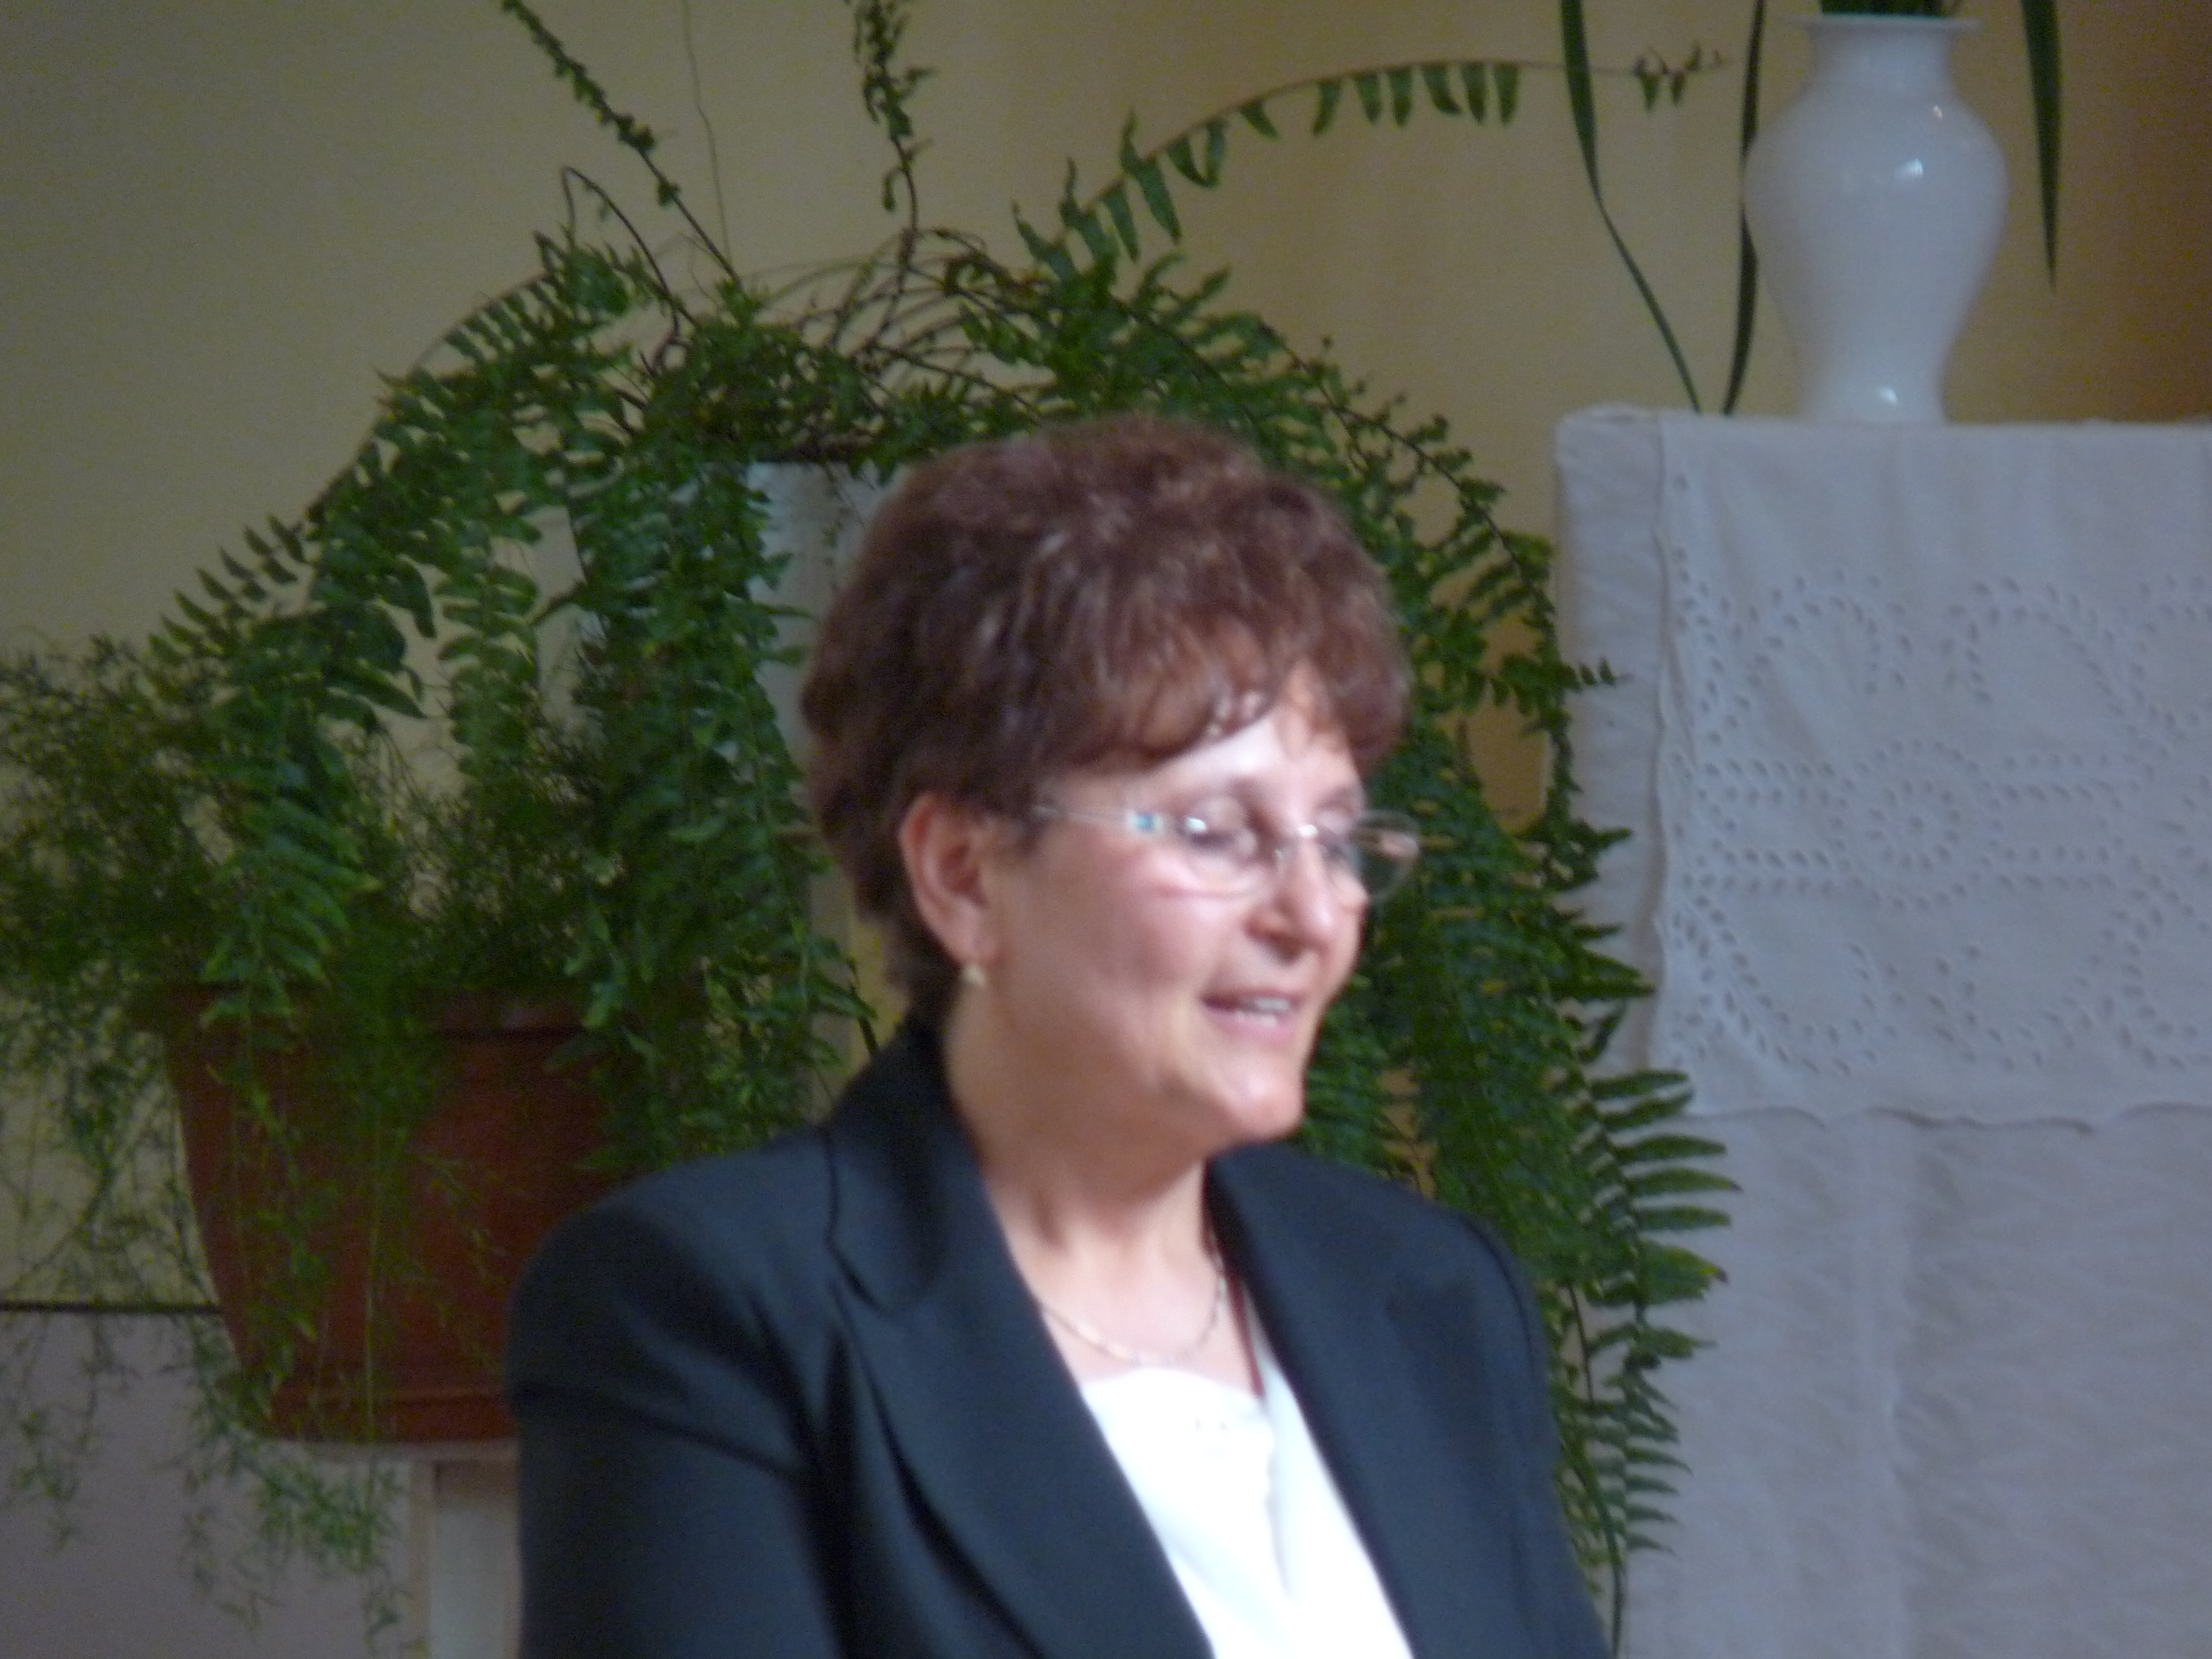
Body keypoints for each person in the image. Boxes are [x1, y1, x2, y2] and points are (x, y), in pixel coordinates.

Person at [506, 415, 1609, 1658]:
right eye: (1217, 833)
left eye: (1339, 840)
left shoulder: (1432, 1296)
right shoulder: (713, 1313)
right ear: (964, 874)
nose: (1312, 916)